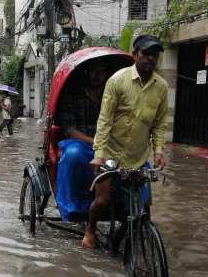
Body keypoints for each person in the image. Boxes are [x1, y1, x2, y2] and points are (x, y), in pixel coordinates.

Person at [83, 35, 169, 249]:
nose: (150, 59)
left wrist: (158, 151)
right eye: (145, 54)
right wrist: (99, 154)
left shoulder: (162, 88)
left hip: (137, 157)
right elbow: (104, 120)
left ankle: (135, 243)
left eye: (154, 55)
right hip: (111, 154)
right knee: (102, 201)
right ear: (134, 55)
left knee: (140, 207)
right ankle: (90, 230)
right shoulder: (117, 81)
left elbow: (159, 123)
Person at [55, 59, 108, 221]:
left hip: (104, 141)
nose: (97, 75)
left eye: (101, 71)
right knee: (74, 154)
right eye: (94, 70)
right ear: (86, 72)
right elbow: (69, 129)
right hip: (78, 142)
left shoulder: (109, 94)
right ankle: (73, 202)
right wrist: (94, 142)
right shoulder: (72, 93)